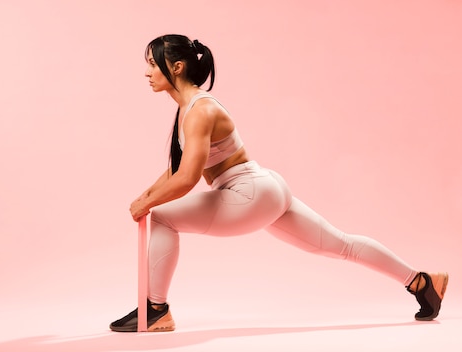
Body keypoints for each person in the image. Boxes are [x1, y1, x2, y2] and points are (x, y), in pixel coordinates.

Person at [109, 34, 448, 332]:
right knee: (341, 244)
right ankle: (421, 282)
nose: (147, 72)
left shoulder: (199, 110)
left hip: (249, 193)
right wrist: (145, 195)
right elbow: (176, 170)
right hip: (264, 188)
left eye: (153, 64)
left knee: (165, 218)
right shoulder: (191, 108)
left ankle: (156, 310)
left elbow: (187, 178)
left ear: (177, 67)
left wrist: (149, 204)